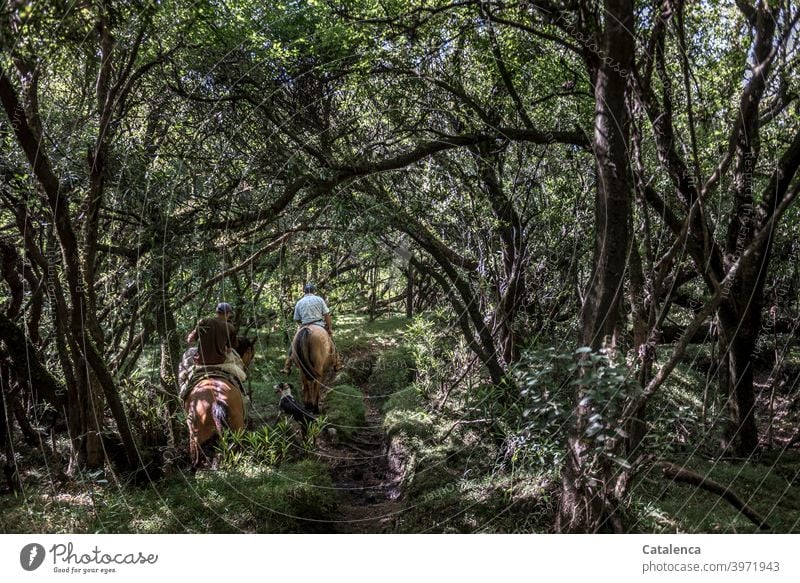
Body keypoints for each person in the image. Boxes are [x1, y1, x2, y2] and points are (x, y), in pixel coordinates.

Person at [180, 302, 247, 399]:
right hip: (220, 363)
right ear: (228, 314)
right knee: (240, 375)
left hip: (200, 363)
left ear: (217, 312)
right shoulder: (230, 327)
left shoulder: (204, 321)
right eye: (229, 314)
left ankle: (181, 398)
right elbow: (229, 349)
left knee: (183, 378)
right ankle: (243, 395)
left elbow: (190, 340)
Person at [281, 283, 341, 373]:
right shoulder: (319, 299)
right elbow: (326, 315)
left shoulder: (299, 302)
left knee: (293, 343)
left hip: (304, 325)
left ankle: (287, 365)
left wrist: (302, 324)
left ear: (304, 291)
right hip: (319, 324)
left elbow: (297, 319)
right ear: (314, 291)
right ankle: (337, 362)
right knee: (332, 340)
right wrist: (329, 327)